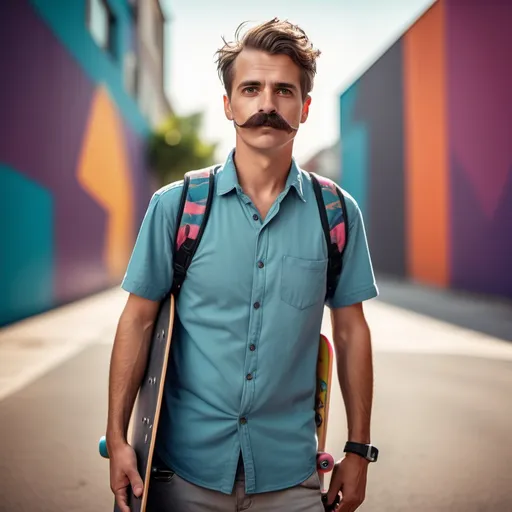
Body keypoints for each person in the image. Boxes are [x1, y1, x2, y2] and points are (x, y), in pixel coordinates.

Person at [106, 17, 379, 512]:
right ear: (229, 104)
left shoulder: (336, 214)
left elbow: (350, 332)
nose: (267, 105)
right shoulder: (176, 206)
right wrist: (118, 438)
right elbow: (138, 320)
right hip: (179, 476)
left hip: (291, 480)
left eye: (284, 91)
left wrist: (358, 450)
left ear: (306, 107)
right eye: (251, 89)